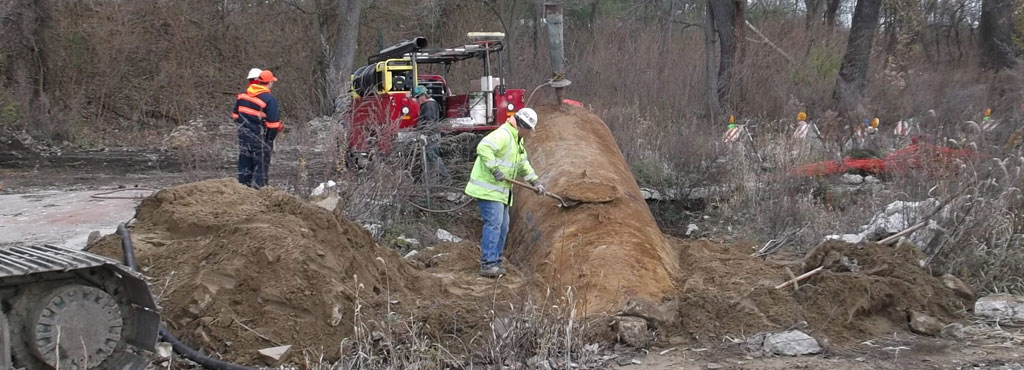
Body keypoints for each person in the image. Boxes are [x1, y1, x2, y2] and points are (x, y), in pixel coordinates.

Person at [464, 108, 546, 278]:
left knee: (503, 227)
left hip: (501, 192)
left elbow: (523, 164)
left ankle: (496, 260)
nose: (529, 133)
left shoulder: (517, 141)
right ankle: (488, 264)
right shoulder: (504, 135)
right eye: (529, 130)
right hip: (488, 190)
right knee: (494, 225)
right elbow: (483, 147)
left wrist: (535, 181)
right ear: (523, 126)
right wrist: (495, 169)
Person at [232, 70, 282, 188]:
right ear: (269, 83)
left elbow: (235, 116)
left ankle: (242, 192)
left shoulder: (242, 96)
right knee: (261, 169)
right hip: (260, 138)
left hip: (244, 137)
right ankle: (259, 194)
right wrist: (269, 139)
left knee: (244, 166)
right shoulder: (269, 100)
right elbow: (273, 125)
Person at [413, 85, 450, 184]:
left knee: (433, 158)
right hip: (432, 135)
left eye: (417, 98)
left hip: (431, 136)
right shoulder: (431, 104)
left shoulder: (428, 105)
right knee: (429, 160)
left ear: (422, 96)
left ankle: (445, 178)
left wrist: (425, 134)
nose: (417, 100)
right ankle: (431, 182)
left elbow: (429, 122)